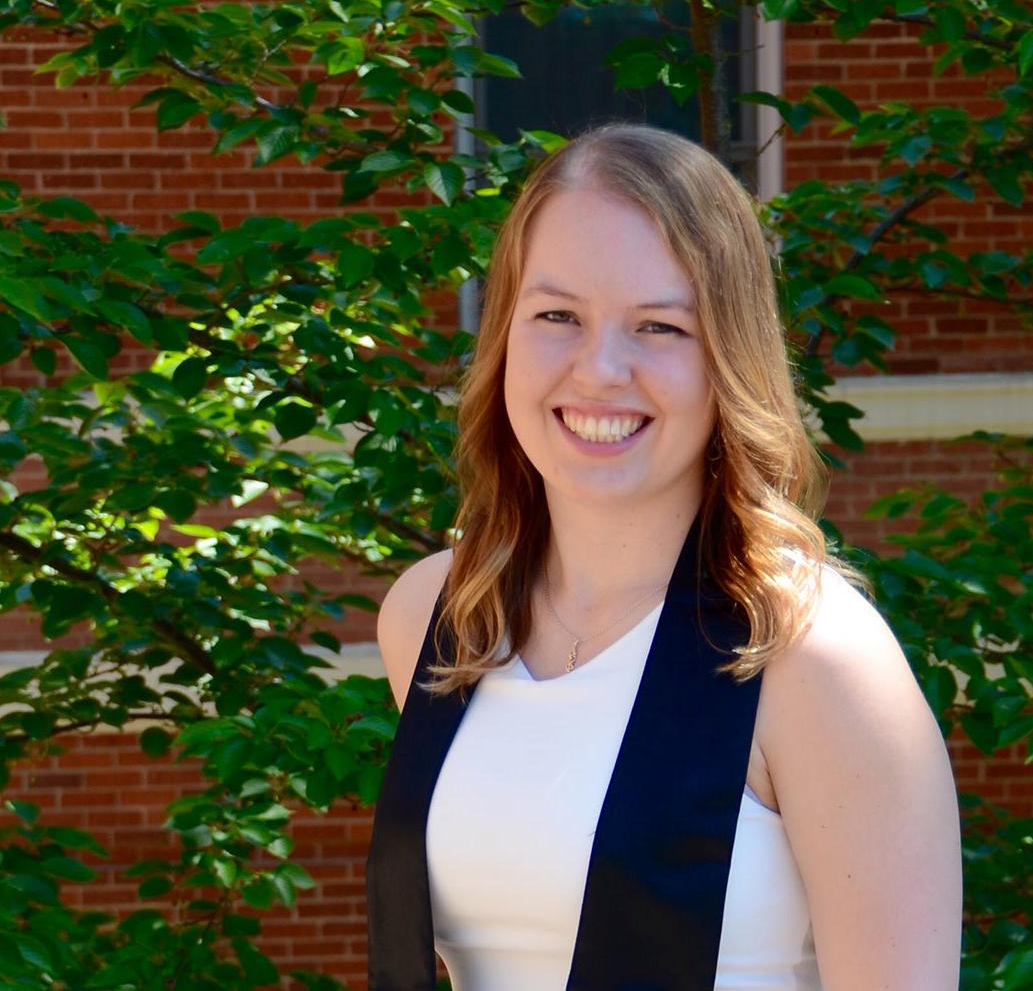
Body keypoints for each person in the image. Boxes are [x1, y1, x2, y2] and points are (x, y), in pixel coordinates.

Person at [367, 122, 962, 990]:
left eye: (659, 327)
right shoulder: (434, 619)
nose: (600, 369)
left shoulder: (812, 657)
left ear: (729, 359)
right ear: (503, 337)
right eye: (557, 316)